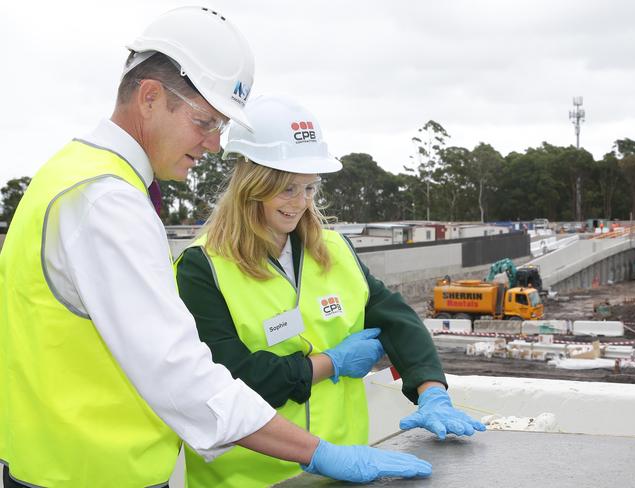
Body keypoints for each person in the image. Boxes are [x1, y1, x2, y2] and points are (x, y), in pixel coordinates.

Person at [0, 7, 432, 488]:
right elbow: (183, 378)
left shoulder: (70, 174)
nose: (212, 144)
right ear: (149, 97)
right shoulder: (108, 203)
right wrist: (320, 453)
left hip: (59, 465)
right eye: (205, 122)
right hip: (95, 475)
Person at [175, 95, 486, 488]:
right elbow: (234, 379)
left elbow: (395, 318)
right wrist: (331, 364)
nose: (301, 204)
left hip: (344, 470)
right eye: (287, 189)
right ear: (250, 185)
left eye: (309, 189)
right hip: (248, 479)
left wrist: (431, 390)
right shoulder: (203, 266)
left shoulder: (334, 250)